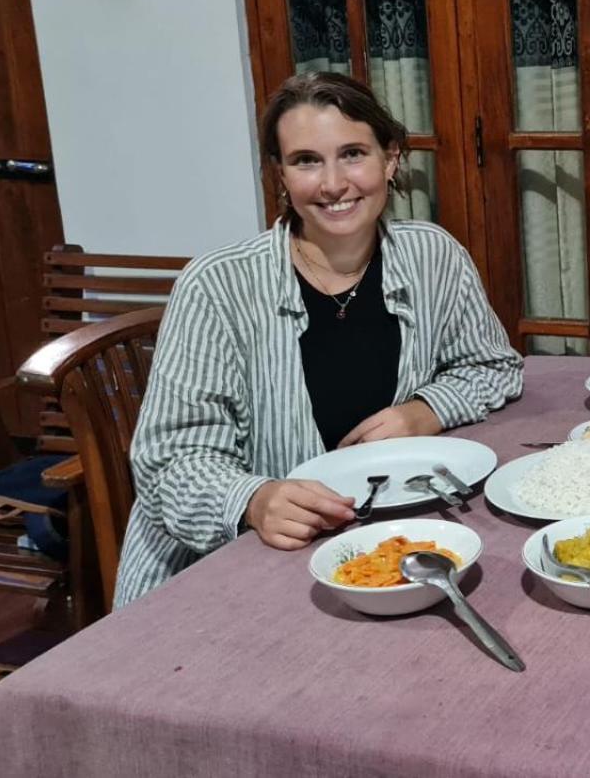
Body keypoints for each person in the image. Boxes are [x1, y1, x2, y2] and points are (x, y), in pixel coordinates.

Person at [115, 72, 522, 607]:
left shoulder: (433, 255)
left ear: (391, 159)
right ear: (280, 174)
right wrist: (253, 499)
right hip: (234, 566)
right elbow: (169, 459)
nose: (333, 184)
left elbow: (493, 365)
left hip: (383, 546)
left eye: (353, 153)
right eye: (307, 160)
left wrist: (424, 411)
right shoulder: (216, 284)